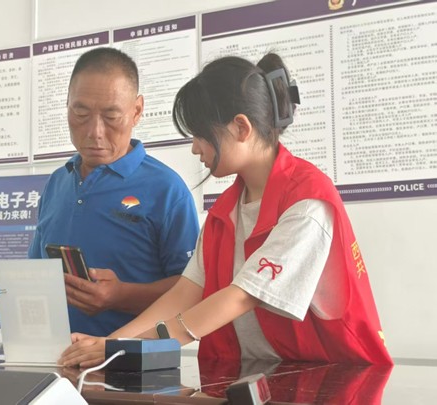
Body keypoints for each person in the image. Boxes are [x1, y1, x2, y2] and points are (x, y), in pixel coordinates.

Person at [58, 52, 392, 367]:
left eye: (201, 136)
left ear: (241, 128)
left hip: (331, 378)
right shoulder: (225, 211)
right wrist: (111, 343)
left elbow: (241, 296)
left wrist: (124, 347)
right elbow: (187, 291)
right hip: (258, 373)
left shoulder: (307, 202)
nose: (195, 148)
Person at [28, 47, 199, 337]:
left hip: (136, 360)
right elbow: (35, 274)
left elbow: (193, 290)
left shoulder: (167, 190)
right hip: (57, 356)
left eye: (111, 116)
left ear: (137, 111)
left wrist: (121, 296)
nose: (95, 131)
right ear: (67, 105)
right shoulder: (57, 183)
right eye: (81, 113)